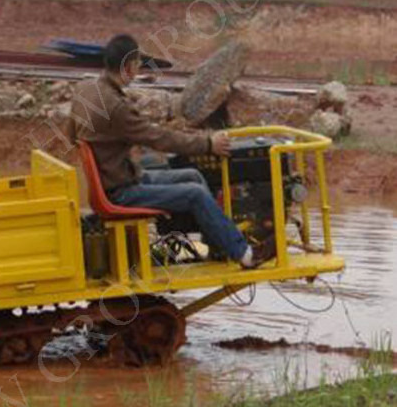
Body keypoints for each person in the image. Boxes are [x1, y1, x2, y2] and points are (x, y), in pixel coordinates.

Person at [67, 33, 271, 268]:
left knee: (192, 175)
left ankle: (218, 242)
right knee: (194, 193)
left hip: (118, 178)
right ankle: (243, 253)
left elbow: (72, 135)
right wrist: (207, 144)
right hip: (120, 191)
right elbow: (159, 139)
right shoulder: (116, 107)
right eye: (137, 65)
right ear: (130, 67)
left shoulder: (85, 90)